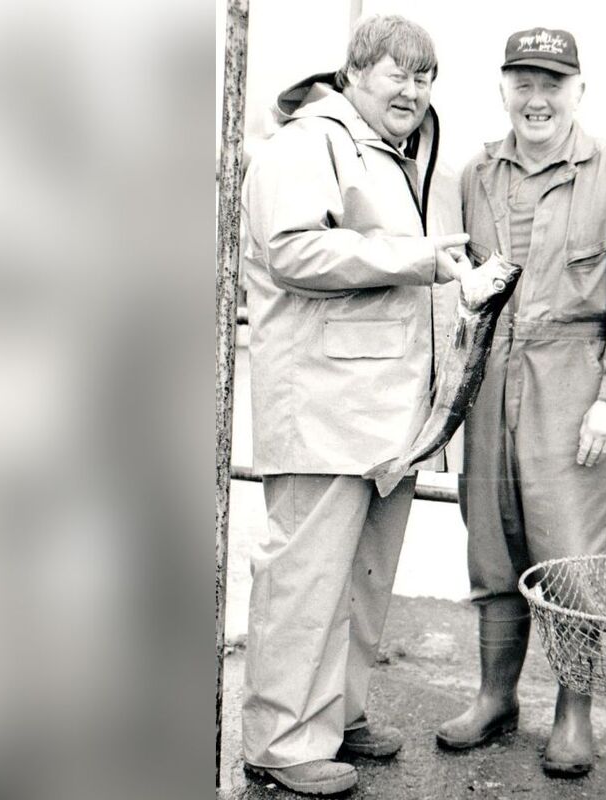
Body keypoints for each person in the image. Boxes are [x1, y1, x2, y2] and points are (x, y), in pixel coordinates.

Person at [239, 15, 485, 796]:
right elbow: (294, 249)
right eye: (397, 75)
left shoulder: (394, 149)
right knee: (305, 580)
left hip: (383, 412)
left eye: (425, 77)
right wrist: (422, 259)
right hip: (323, 408)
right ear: (353, 73)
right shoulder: (309, 143)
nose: (413, 91)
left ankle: (336, 717)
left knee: (362, 579)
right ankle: (280, 744)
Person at [436, 27, 606, 776]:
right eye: (523, 82)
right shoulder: (474, 172)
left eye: (553, 84)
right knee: (491, 541)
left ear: (579, 92)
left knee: (573, 556)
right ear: (503, 88)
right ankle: (496, 698)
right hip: (491, 377)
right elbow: (460, 284)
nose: (537, 98)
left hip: (573, 382)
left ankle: (574, 715)